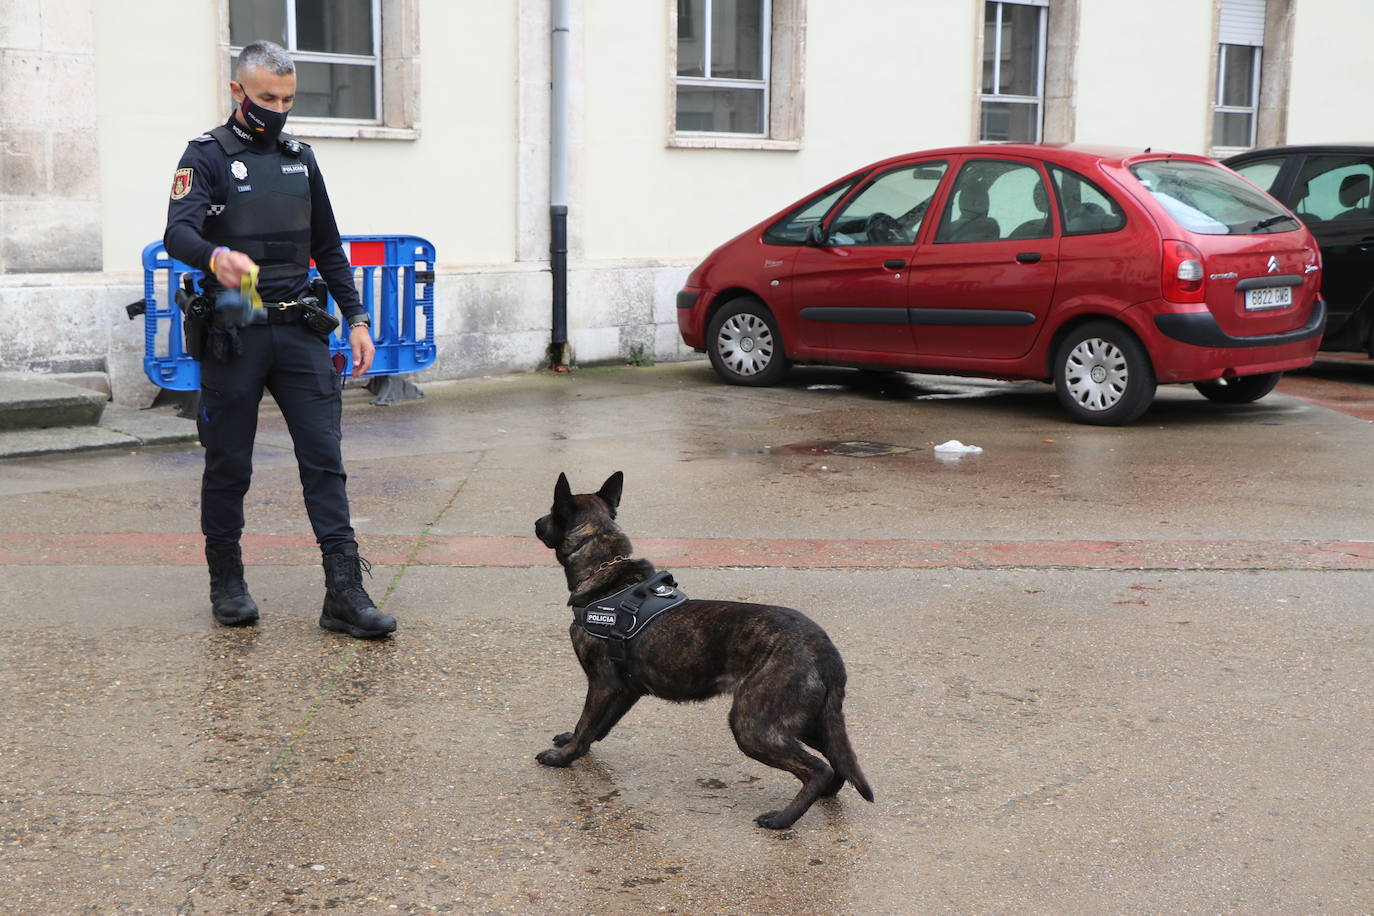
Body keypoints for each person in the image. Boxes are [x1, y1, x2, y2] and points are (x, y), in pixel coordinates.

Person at [164, 40, 396, 639]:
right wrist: (216, 257)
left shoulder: (300, 158)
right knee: (229, 464)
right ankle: (228, 582)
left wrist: (358, 317)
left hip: (299, 329)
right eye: (267, 97)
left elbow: (329, 246)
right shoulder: (206, 155)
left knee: (325, 462)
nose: (278, 108)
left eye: (288, 98)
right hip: (236, 325)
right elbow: (177, 234)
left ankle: (345, 592)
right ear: (239, 91)